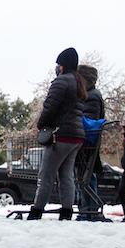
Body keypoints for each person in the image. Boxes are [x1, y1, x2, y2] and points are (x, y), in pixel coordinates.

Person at [27, 48, 86, 221]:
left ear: (62, 66)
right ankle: (66, 211)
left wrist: (41, 124)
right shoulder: (79, 82)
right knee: (67, 176)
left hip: (60, 135)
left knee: (46, 175)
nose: (57, 67)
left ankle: (37, 210)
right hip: (76, 136)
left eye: (58, 64)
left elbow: (50, 107)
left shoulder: (61, 82)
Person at [76, 64, 106, 221]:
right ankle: (87, 210)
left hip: (87, 144)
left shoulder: (91, 96)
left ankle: (89, 211)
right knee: (85, 178)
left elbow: (89, 120)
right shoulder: (90, 94)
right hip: (86, 144)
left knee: (86, 178)